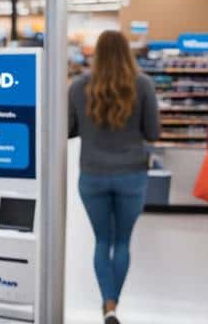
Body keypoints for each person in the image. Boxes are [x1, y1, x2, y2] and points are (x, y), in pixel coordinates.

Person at [68, 30, 160, 324]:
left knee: (101, 240)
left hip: (93, 174)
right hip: (132, 174)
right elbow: (153, 132)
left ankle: (107, 304)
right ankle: (112, 306)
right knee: (122, 242)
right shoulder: (143, 84)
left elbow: (69, 129)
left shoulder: (79, 87)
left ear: (97, 54)